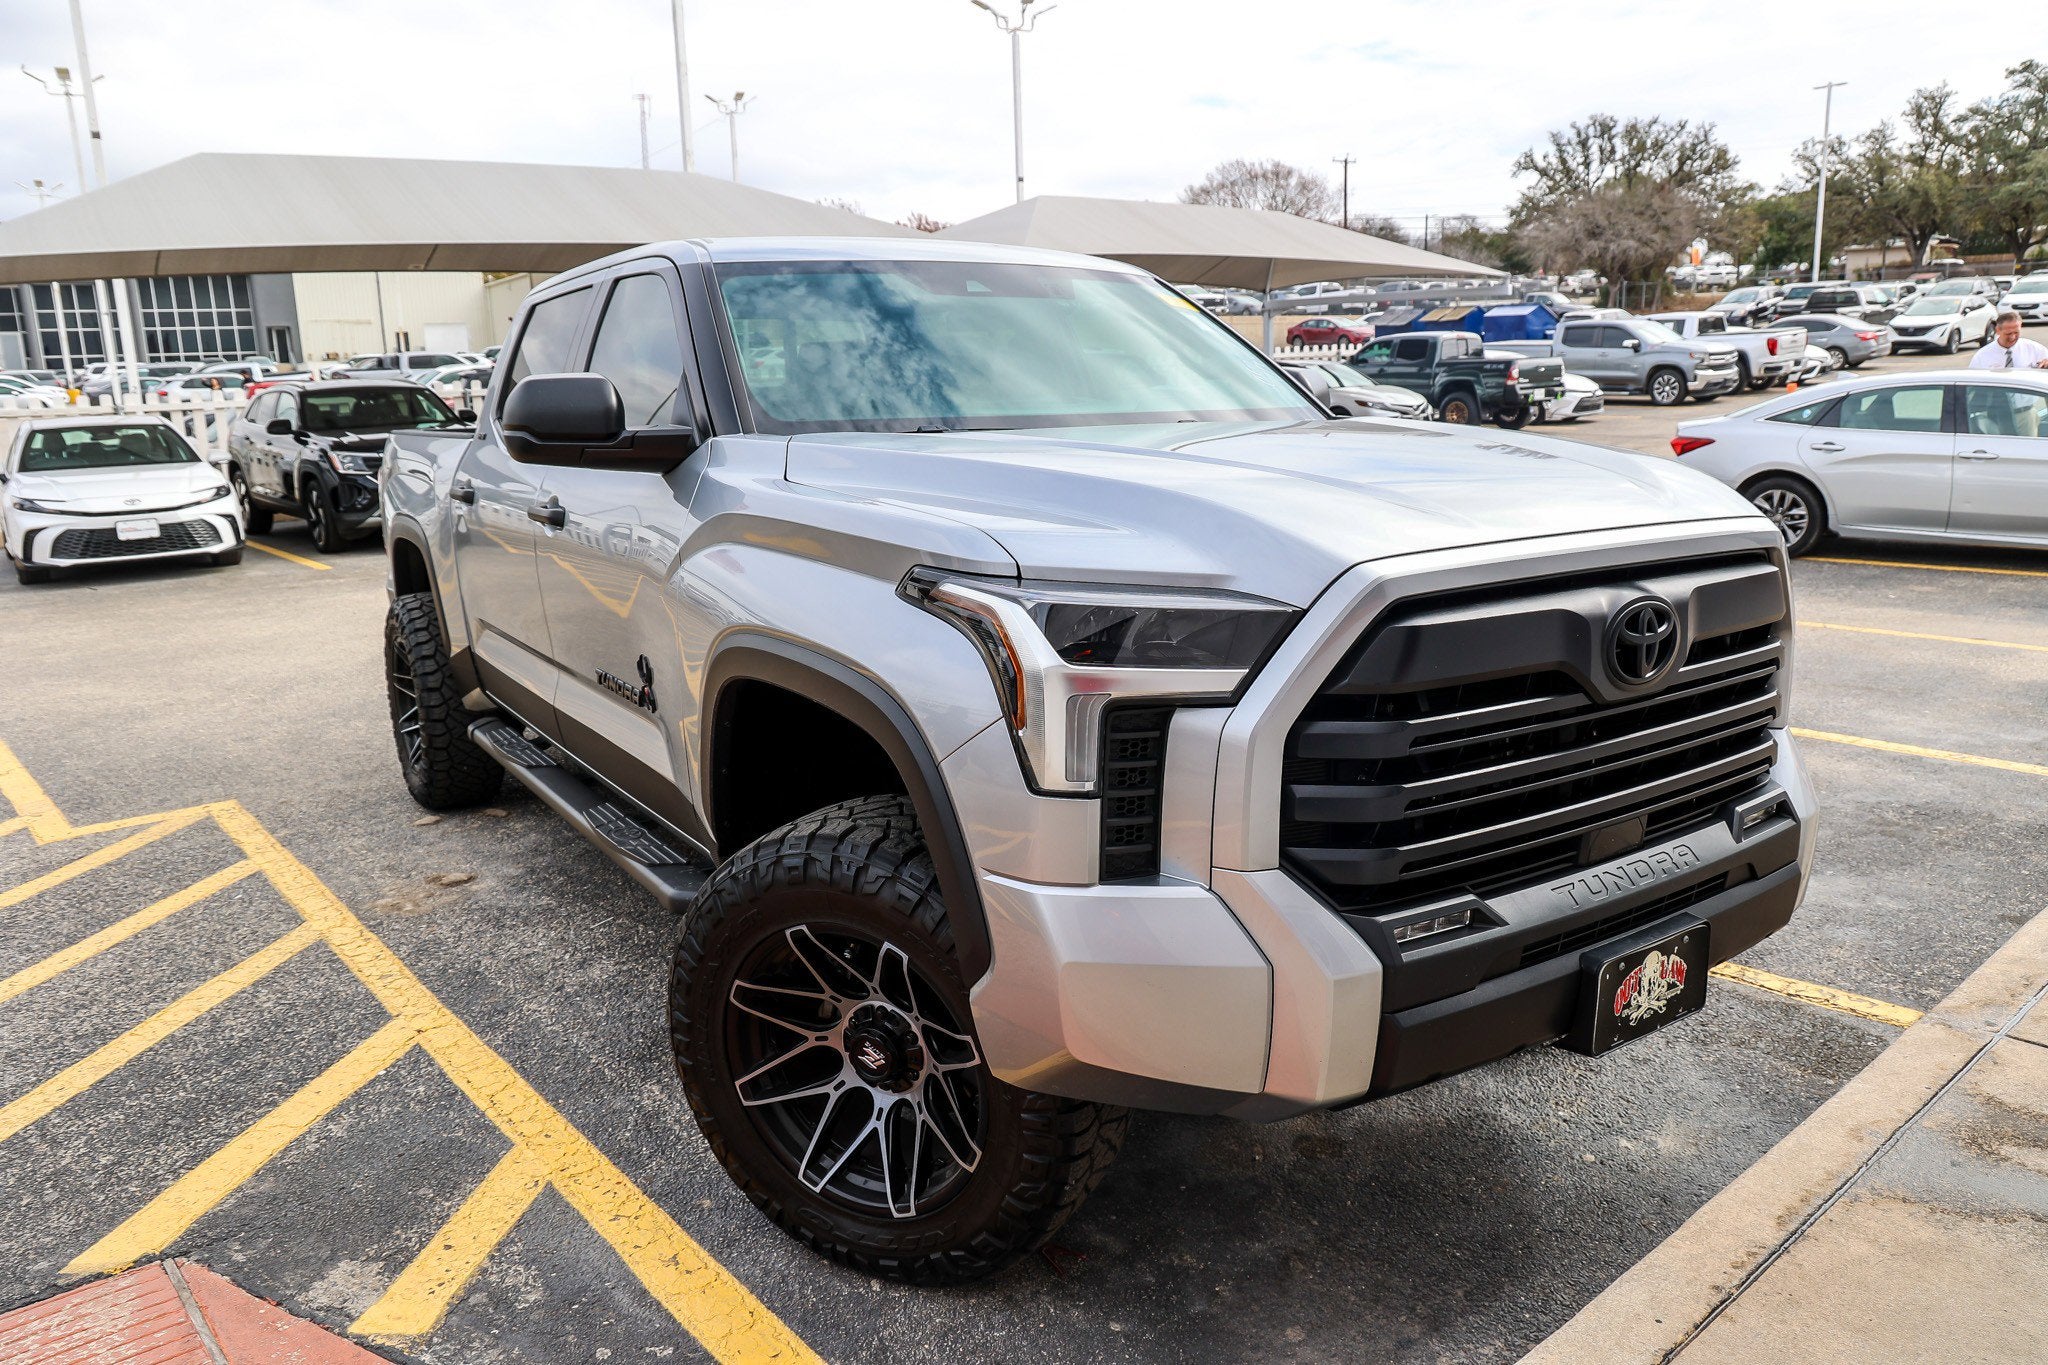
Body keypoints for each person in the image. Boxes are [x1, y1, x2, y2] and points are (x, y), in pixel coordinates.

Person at [1970, 310, 2048, 369]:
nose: (2013, 337)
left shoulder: (2035, 349)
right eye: (2008, 334)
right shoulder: (1982, 356)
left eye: (2016, 332)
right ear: (1997, 331)